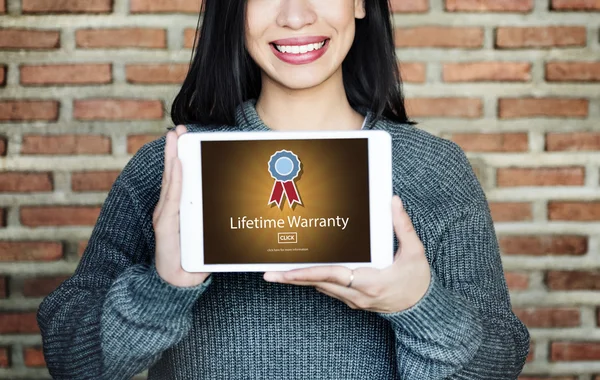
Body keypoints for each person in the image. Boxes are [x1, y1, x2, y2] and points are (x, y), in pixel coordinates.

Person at [37, 0, 530, 379]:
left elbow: (500, 362)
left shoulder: (434, 169)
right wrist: (162, 288)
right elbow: (68, 360)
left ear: (360, 2)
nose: (295, 16)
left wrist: (418, 304)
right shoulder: (171, 168)